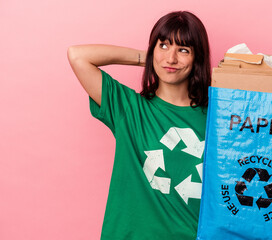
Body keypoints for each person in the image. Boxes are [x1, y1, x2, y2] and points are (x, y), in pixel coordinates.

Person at [67, 11, 211, 240]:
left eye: (183, 50)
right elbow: (78, 56)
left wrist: (162, 56)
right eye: (164, 45)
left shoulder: (217, 118)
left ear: (198, 58)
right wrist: (152, 59)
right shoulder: (128, 108)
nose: (171, 58)